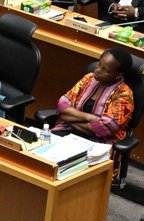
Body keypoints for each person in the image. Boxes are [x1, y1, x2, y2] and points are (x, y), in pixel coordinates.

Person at [51, 46, 135, 184]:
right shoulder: (89, 79)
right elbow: (62, 105)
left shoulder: (124, 94)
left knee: (65, 170)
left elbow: (104, 129)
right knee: (42, 157)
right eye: (99, 64)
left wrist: (69, 118)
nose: (98, 70)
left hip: (99, 145)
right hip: (69, 133)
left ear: (118, 75)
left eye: (105, 70)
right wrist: (89, 117)